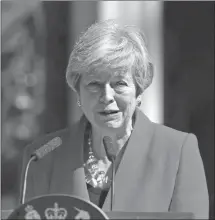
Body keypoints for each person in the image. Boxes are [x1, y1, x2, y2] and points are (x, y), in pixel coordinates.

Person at [19, 19, 209, 218]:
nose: (107, 96)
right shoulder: (41, 157)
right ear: (78, 92)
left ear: (139, 89)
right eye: (94, 83)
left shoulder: (177, 152)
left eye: (119, 83)